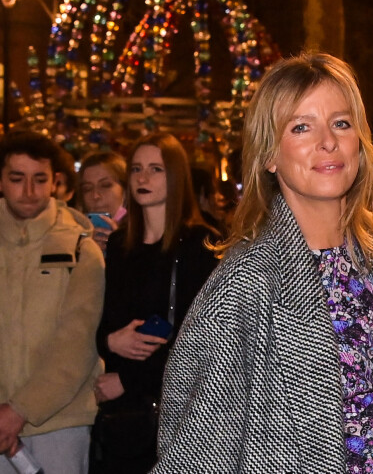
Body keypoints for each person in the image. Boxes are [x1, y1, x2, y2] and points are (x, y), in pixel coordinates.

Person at [150, 53, 373, 473]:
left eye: (341, 123)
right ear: (269, 155)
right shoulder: (247, 280)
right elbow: (193, 452)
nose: (328, 142)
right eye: (302, 127)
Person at [91, 132, 219, 474]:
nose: (142, 178)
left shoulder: (200, 245)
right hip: (124, 418)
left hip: (176, 411)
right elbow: (102, 321)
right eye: (136, 169)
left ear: (176, 176)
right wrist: (109, 341)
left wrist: (131, 380)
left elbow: (203, 340)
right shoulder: (119, 245)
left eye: (155, 169)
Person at [0, 131, 105, 474]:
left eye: (39, 179)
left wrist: (20, 410)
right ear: (2, 180)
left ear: (55, 182)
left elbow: (77, 342)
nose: (29, 190)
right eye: (17, 178)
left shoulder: (79, 246)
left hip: (61, 421)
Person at [78, 151, 127, 253]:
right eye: (87, 189)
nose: (95, 196)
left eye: (105, 185)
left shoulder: (145, 235)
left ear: (125, 189)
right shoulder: (74, 236)